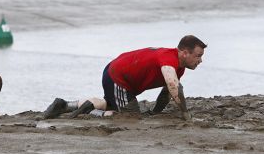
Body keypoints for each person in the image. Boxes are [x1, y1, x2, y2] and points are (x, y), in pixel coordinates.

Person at [42, 35, 206, 121]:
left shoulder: (178, 67)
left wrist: (155, 111)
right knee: (129, 116)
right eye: (198, 56)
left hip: (117, 74)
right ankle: (92, 112)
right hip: (118, 77)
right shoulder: (169, 61)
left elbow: (166, 93)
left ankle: (65, 104)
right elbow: (173, 87)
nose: (200, 60)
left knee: (111, 103)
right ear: (184, 53)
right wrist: (185, 114)